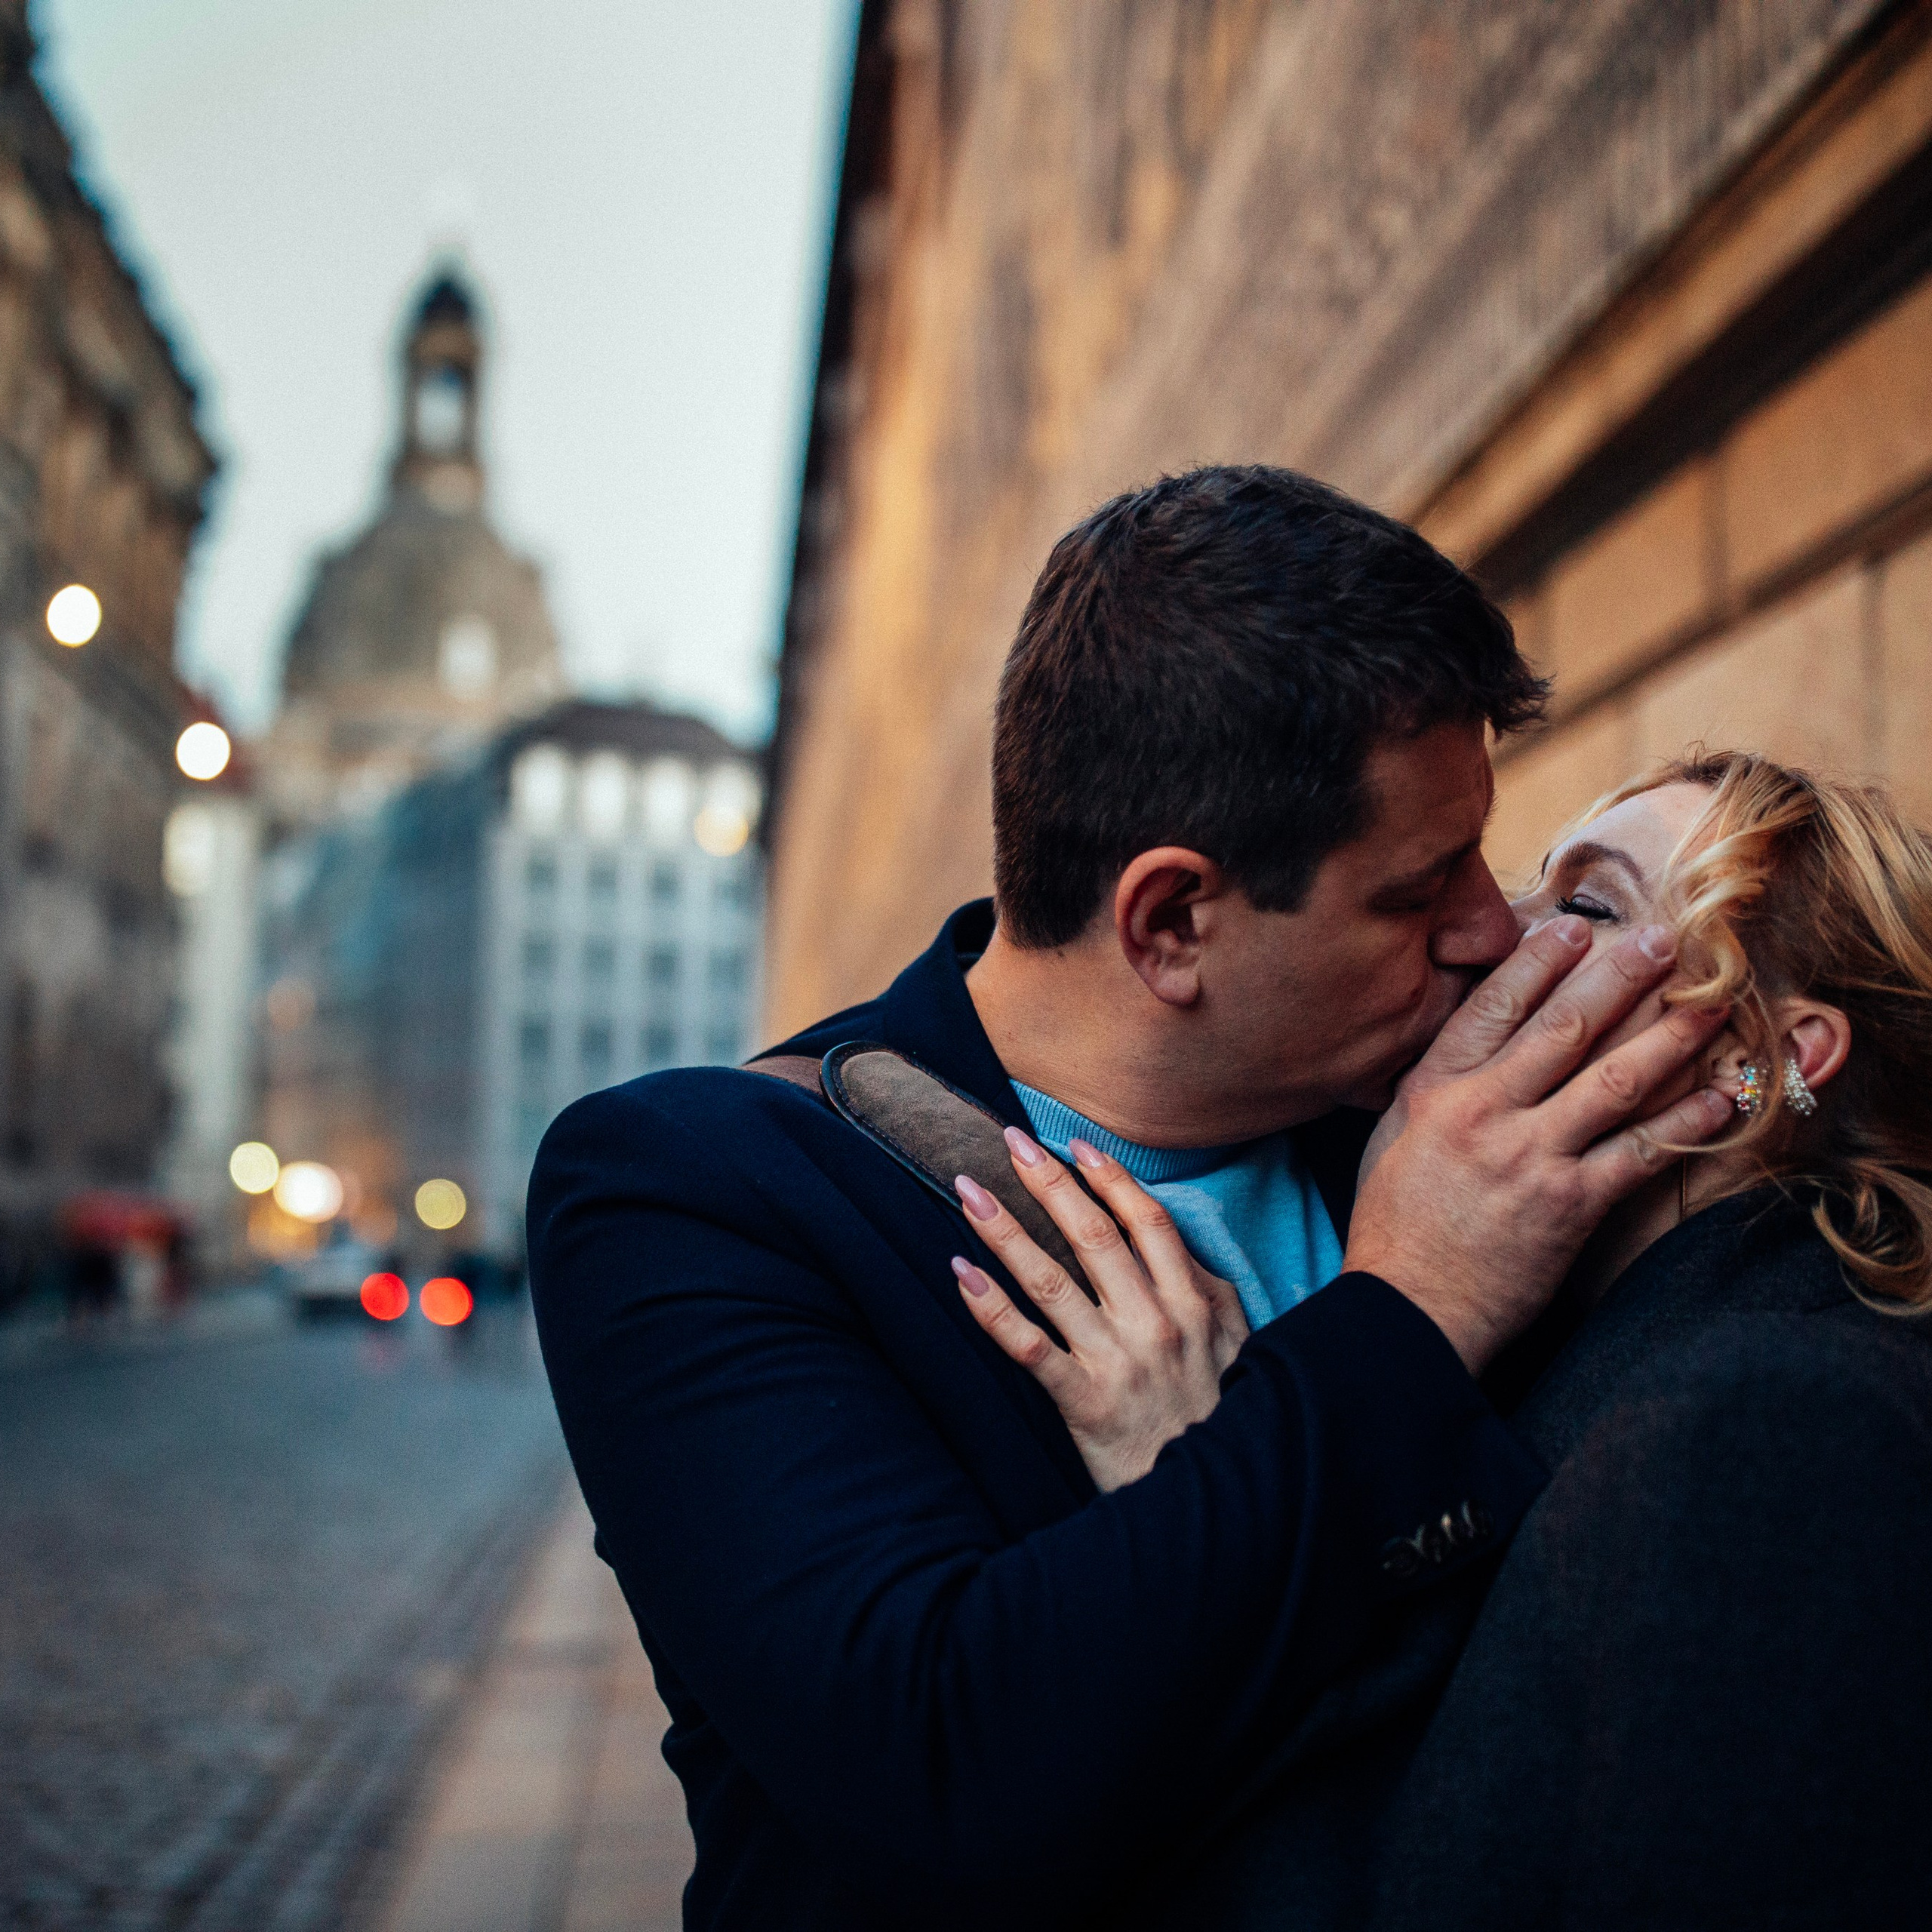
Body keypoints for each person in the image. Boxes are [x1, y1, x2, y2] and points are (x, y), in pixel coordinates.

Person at [526, 466, 1727, 1931]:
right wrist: (1406, 1310)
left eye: (1482, 853)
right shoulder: (700, 1190)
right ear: (1169, 923)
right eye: (1416, 893)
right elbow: (941, 1765)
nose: (1493, 924)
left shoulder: (1451, 1126)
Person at [973, 751, 1932, 1929]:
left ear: (1768, 1060)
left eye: (1584, 904)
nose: (1490, 936)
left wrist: (1217, 1487)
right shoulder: (1589, 1376)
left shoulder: (1768, 1429)